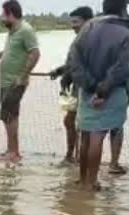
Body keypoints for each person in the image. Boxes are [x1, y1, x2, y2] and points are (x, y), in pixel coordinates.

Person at [67, 0, 129, 191]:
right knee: (97, 136)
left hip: (87, 90)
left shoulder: (86, 29)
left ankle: (83, 180)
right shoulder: (128, 35)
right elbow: (122, 68)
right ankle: (91, 182)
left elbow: (75, 59)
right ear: (123, 9)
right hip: (110, 92)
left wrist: (88, 85)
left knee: (86, 135)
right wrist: (103, 90)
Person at [0, 0, 40, 164]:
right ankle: (11, 150)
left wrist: (23, 76)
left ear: (11, 14)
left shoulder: (25, 30)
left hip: (15, 82)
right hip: (5, 82)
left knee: (10, 115)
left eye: (3, 15)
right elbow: (8, 51)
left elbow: (35, 53)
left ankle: (13, 152)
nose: (1, 18)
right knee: (8, 116)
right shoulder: (13, 31)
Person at [49, 6, 93, 166]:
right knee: (70, 122)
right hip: (76, 88)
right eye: (72, 22)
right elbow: (72, 63)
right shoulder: (80, 38)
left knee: (83, 125)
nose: (73, 25)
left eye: (76, 22)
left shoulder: (90, 39)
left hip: (86, 88)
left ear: (87, 21)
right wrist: (60, 71)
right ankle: (72, 156)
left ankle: (80, 158)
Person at [105, 0, 129, 175]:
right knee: (117, 123)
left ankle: (96, 163)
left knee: (95, 125)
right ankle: (113, 163)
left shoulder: (97, 24)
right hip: (122, 78)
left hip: (100, 77)